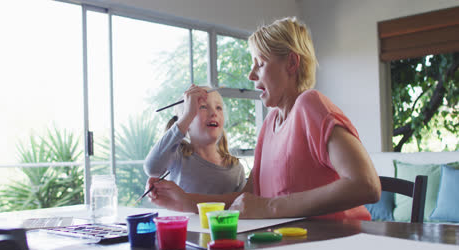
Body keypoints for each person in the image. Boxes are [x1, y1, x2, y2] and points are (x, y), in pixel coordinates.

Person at [147, 17, 381, 220]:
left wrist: (269, 207)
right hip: (293, 245)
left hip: (341, 243)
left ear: (291, 63)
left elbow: (366, 185)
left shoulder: (310, 104)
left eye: (260, 63)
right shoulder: (270, 124)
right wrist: (185, 201)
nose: (250, 75)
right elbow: (247, 200)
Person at [144, 84, 246, 199]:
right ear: (186, 120)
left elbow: (243, 207)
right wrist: (188, 115)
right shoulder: (178, 156)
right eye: (202, 107)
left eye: (218, 107)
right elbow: (151, 168)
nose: (214, 113)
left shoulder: (236, 168)